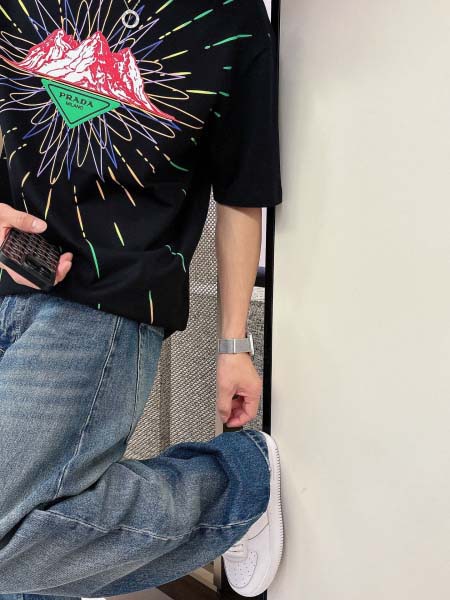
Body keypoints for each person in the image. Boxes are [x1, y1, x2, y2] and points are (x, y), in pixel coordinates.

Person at [0, 0, 283, 597]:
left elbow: (242, 191)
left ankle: (238, 487)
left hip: (104, 304)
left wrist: (233, 343)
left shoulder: (230, 19)